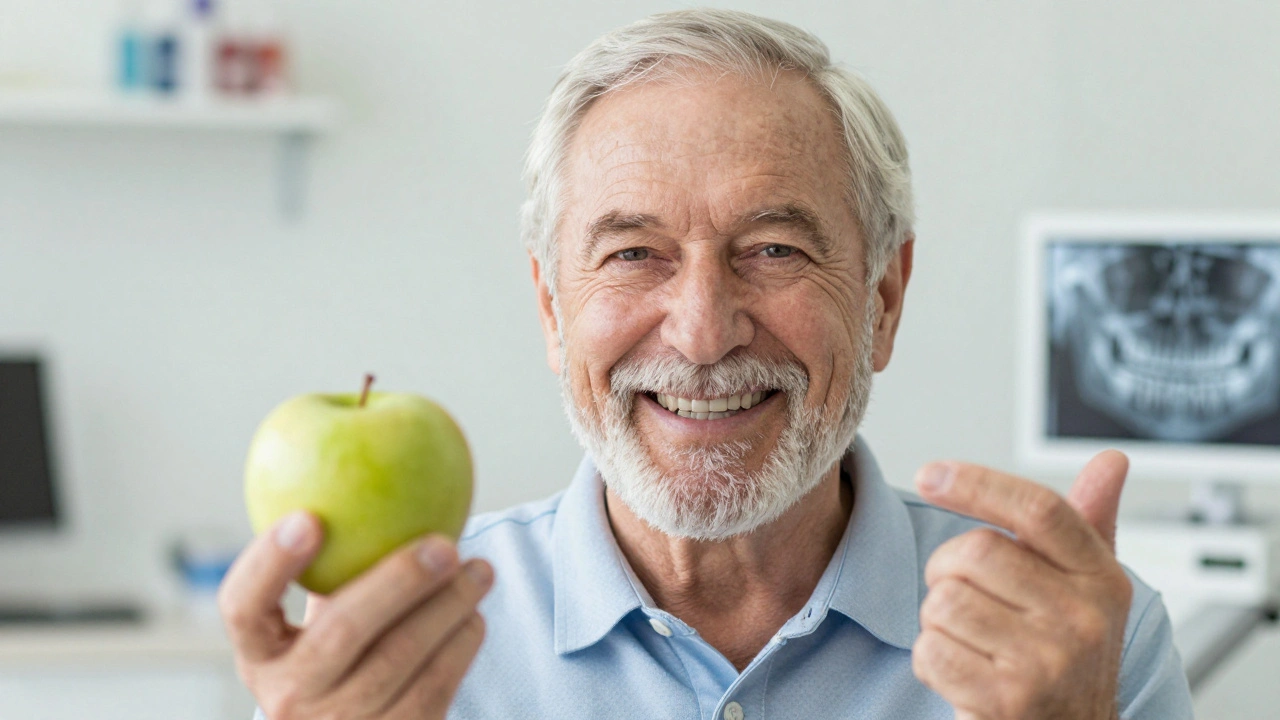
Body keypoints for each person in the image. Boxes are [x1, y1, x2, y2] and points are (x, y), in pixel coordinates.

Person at [219, 9, 1194, 719]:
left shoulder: (1074, 638)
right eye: (633, 253)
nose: (699, 332)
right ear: (551, 308)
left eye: (772, 250)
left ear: (882, 299)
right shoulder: (403, 647)